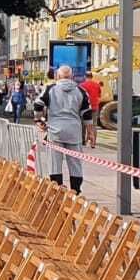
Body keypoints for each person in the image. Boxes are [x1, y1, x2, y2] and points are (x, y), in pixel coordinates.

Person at [33, 65, 92, 193]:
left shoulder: (50, 89)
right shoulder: (81, 91)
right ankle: (75, 190)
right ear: (72, 77)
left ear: (57, 76)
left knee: (54, 163)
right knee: (75, 163)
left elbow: (38, 104)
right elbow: (87, 113)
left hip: (55, 130)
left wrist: (39, 120)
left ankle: (57, 190)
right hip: (74, 132)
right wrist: (90, 133)